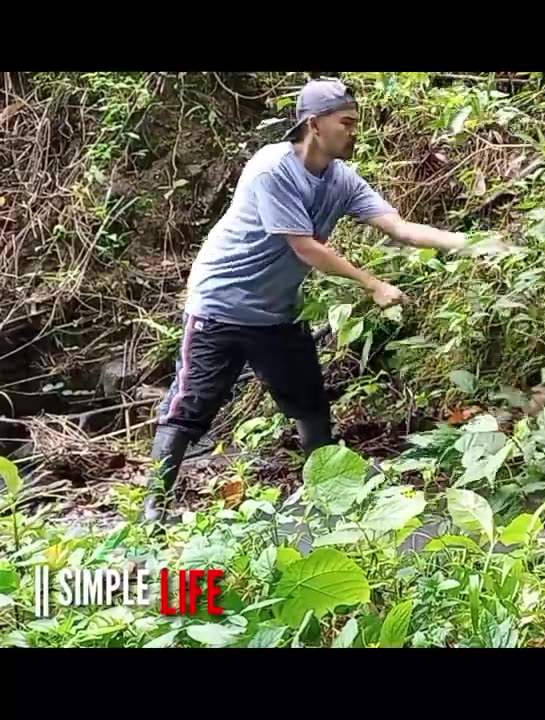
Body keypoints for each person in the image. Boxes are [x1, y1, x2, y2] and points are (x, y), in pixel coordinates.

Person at [144, 78, 503, 522]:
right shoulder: (271, 168)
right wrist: (372, 283)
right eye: (346, 122)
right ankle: (153, 511)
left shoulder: (341, 180)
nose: (354, 132)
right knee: (190, 405)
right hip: (220, 304)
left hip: (276, 313)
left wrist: (474, 244)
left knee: (310, 403)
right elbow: (305, 246)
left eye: (356, 123)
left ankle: (330, 501)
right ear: (314, 124)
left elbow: (400, 228)